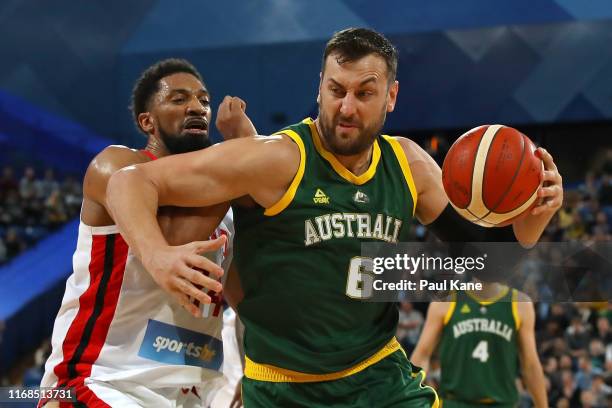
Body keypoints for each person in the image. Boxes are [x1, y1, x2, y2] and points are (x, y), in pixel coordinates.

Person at [106, 28, 563, 407]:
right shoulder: (276, 159)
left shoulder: (409, 165)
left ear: (391, 96)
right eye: (335, 90)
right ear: (319, 87)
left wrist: (535, 214)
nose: (346, 107)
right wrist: (158, 255)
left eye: (364, 93)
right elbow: (128, 182)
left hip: (379, 378)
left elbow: (488, 263)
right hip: (285, 387)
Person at [39, 58, 256, 407]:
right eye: (179, 99)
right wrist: (243, 150)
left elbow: (246, 303)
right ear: (147, 121)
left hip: (190, 393)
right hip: (102, 380)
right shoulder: (116, 166)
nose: (196, 107)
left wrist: (254, 371)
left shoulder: (222, 210)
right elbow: (172, 243)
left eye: (203, 99)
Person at [410, 282, 548, 407]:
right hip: (454, 403)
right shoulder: (447, 300)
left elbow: (530, 365)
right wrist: (408, 397)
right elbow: (422, 354)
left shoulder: (519, 303)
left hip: (502, 404)